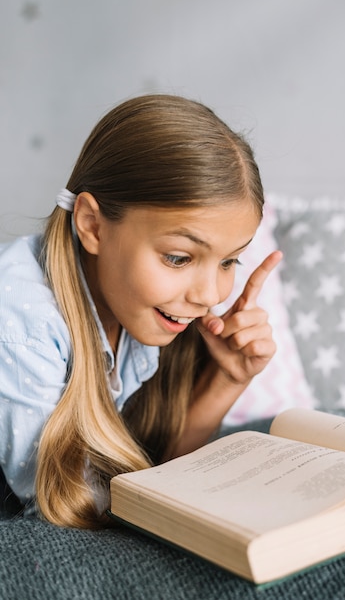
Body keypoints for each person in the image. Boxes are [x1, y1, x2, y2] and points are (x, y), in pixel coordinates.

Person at [0, 94, 281, 529]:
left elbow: (152, 471)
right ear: (92, 225)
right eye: (178, 257)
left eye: (229, 262)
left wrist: (229, 377)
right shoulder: (22, 326)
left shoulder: (129, 305)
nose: (210, 295)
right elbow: (72, 506)